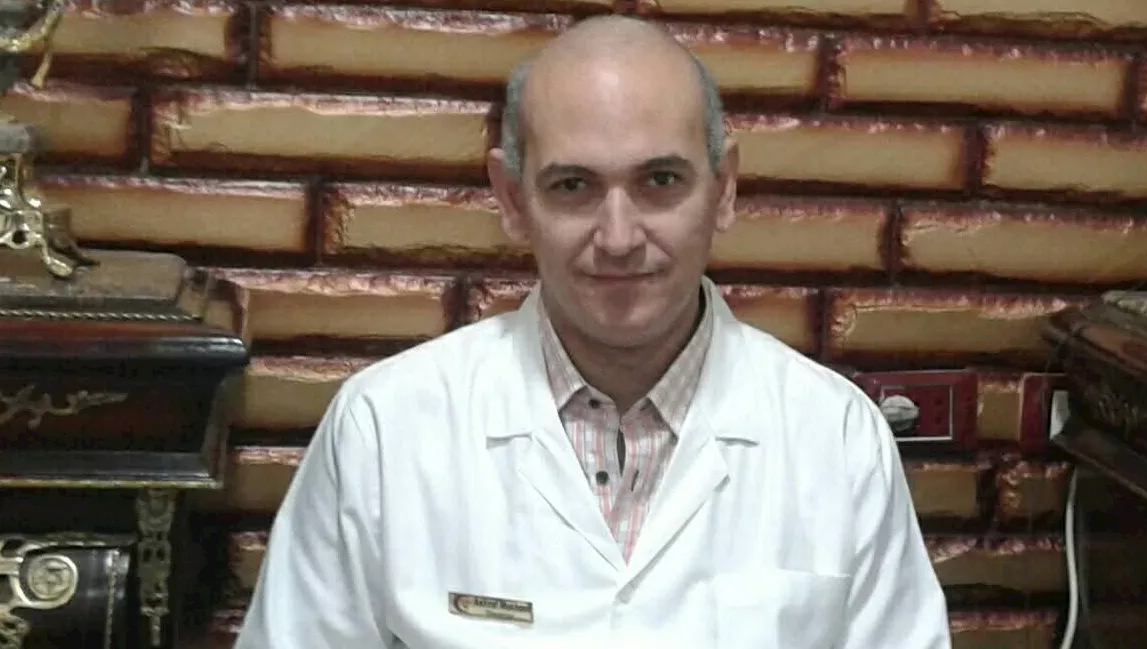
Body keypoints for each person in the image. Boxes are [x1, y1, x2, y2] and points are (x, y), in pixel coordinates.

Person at [234, 15, 951, 649]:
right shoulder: (384, 430)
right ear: (512, 199)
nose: (618, 237)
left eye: (660, 181)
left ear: (724, 188)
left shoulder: (837, 439)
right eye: (573, 186)